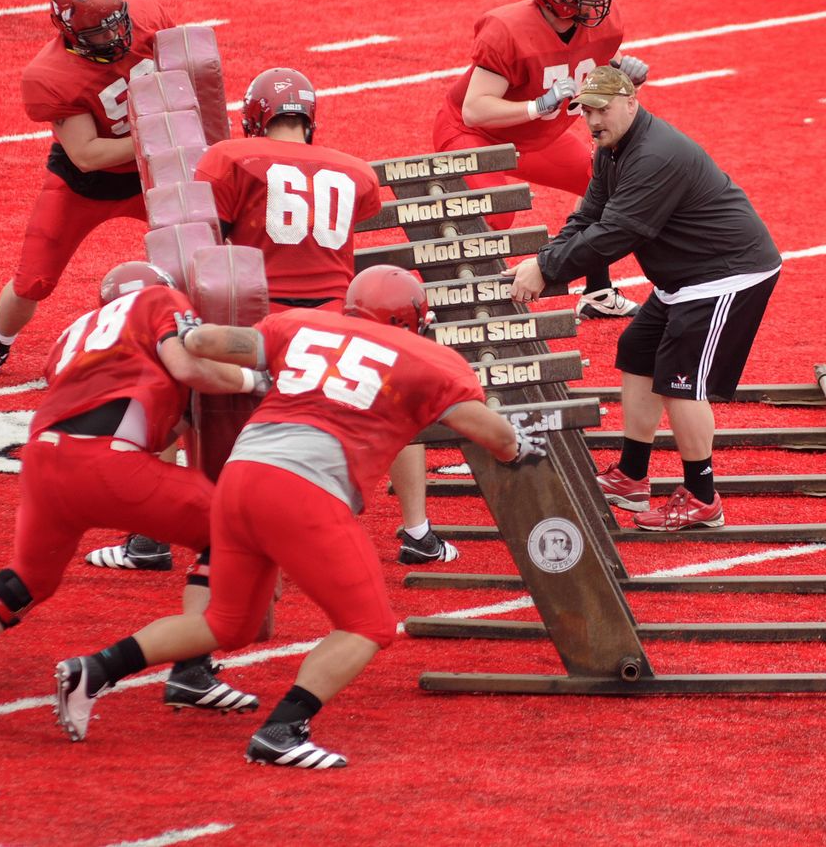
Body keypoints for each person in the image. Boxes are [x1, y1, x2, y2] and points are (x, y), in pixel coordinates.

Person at [52, 265, 547, 768]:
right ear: (410, 317)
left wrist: (186, 330)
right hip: (302, 491)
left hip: (240, 478)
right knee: (368, 624)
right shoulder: (429, 359)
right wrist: (519, 450)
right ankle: (283, 730)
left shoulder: (302, 325)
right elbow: (492, 433)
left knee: (228, 621)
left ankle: (93, 669)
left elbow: (208, 341)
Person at [87, 67, 457, 569]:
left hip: (261, 323)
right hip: (336, 323)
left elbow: (208, 244)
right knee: (389, 396)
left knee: (178, 386)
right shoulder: (354, 170)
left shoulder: (231, 158)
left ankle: (148, 539)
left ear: (256, 117)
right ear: (310, 118)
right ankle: (420, 533)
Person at [0, 262, 259, 715]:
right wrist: (256, 381)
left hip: (42, 459)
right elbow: (186, 368)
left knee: (27, 578)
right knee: (230, 531)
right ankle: (191, 670)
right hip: (107, 463)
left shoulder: (70, 336)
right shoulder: (158, 302)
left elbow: (144, 413)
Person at [504, 66, 782, 531]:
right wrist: (546, 258)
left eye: (602, 109)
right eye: (586, 111)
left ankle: (702, 497)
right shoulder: (611, 151)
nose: (593, 120)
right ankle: (632, 476)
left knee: (680, 381)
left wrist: (547, 270)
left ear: (631, 102)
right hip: (684, 276)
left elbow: (617, 233)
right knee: (636, 351)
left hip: (726, 273)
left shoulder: (655, 156)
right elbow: (588, 215)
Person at [0, 0, 174, 381]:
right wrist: (165, 132)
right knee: (33, 279)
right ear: (70, 32)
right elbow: (89, 154)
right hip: (87, 184)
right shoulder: (50, 76)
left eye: (118, 24)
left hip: (154, 173)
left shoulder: (147, 13)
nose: (115, 38)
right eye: (99, 33)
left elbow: (186, 71)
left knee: (209, 244)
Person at [433, 0, 649, 320]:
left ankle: (597, 293)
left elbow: (592, 62)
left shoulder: (600, 26)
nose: (597, 0)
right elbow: (474, 110)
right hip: (476, 134)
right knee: (493, 214)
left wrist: (622, 77)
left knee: (604, 183)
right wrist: (541, 104)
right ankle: (444, 303)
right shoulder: (509, 30)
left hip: (538, 137)